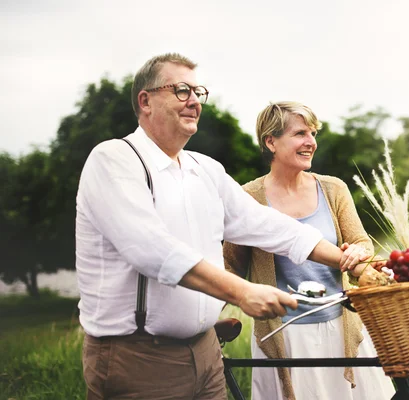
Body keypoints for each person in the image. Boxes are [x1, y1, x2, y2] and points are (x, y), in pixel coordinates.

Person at [75, 53, 372, 400]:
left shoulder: (206, 169)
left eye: (198, 92)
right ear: (146, 100)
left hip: (206, 353)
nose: (194, 102)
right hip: (140, 357)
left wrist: (346, 260)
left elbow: (268, 225)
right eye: (182, 90)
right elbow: (151, 249)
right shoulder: (114, 160)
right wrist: (243, 292)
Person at [223, 102, 396, 400]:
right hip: (283, 335)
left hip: (343, 327)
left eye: (313, 133)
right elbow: (229, 268)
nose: (311, 142)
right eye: (300, 133)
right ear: (271, 141)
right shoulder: (247, 198)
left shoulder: (333, 189)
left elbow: (362, 242)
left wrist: (357, 252)